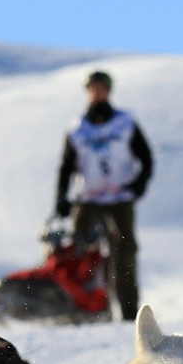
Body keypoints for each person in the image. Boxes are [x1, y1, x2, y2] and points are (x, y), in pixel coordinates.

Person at [54, 70, 153, 321]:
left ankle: (130, 315)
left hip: (120, 200)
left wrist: (140, 184)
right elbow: (66, 166)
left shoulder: (125, 122)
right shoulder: (77, 128)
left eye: (102, 88)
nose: (97, 93)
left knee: (124, 255)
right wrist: (61, 199)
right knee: (80, 255)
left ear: (109, 91)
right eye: (92, 89)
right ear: (87, 92)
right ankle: (82, 310)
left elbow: (146, 157)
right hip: (88, 201)